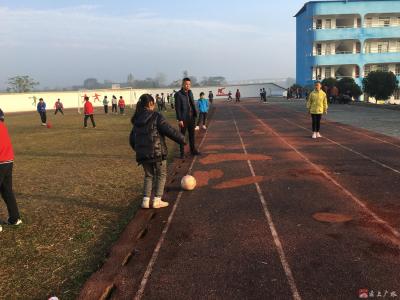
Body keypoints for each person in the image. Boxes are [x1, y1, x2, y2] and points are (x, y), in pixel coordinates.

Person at [130, 94, 185, 209]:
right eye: (153, 103)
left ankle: (145, 200)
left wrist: (140, 149)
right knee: (161, 175)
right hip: (157, 153)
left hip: (143, 155)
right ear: (151, 104)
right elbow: (169, 130)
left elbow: (132, 139)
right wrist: (182, 139)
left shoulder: (136, 119)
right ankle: (157, 200)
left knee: (148, 176)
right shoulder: (156, 116)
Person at [0, 109, 22, 233]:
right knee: (7, 190)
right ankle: (15, 218)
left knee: (6, 191)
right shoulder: (2, 126)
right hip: (8, 160)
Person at [174, 77, 200, 158]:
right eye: (186, 84)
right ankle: (182, 153)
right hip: (183, 119)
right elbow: (177, 108)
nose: (188, 86)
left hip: (191, 117)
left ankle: (193, 150)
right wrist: (179, 119)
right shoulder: (178, 94)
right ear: (183, 84)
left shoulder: (190, 92)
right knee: (182, 136)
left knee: (192, 135)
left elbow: (192, 103)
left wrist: (195, 114)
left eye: (189, 84)